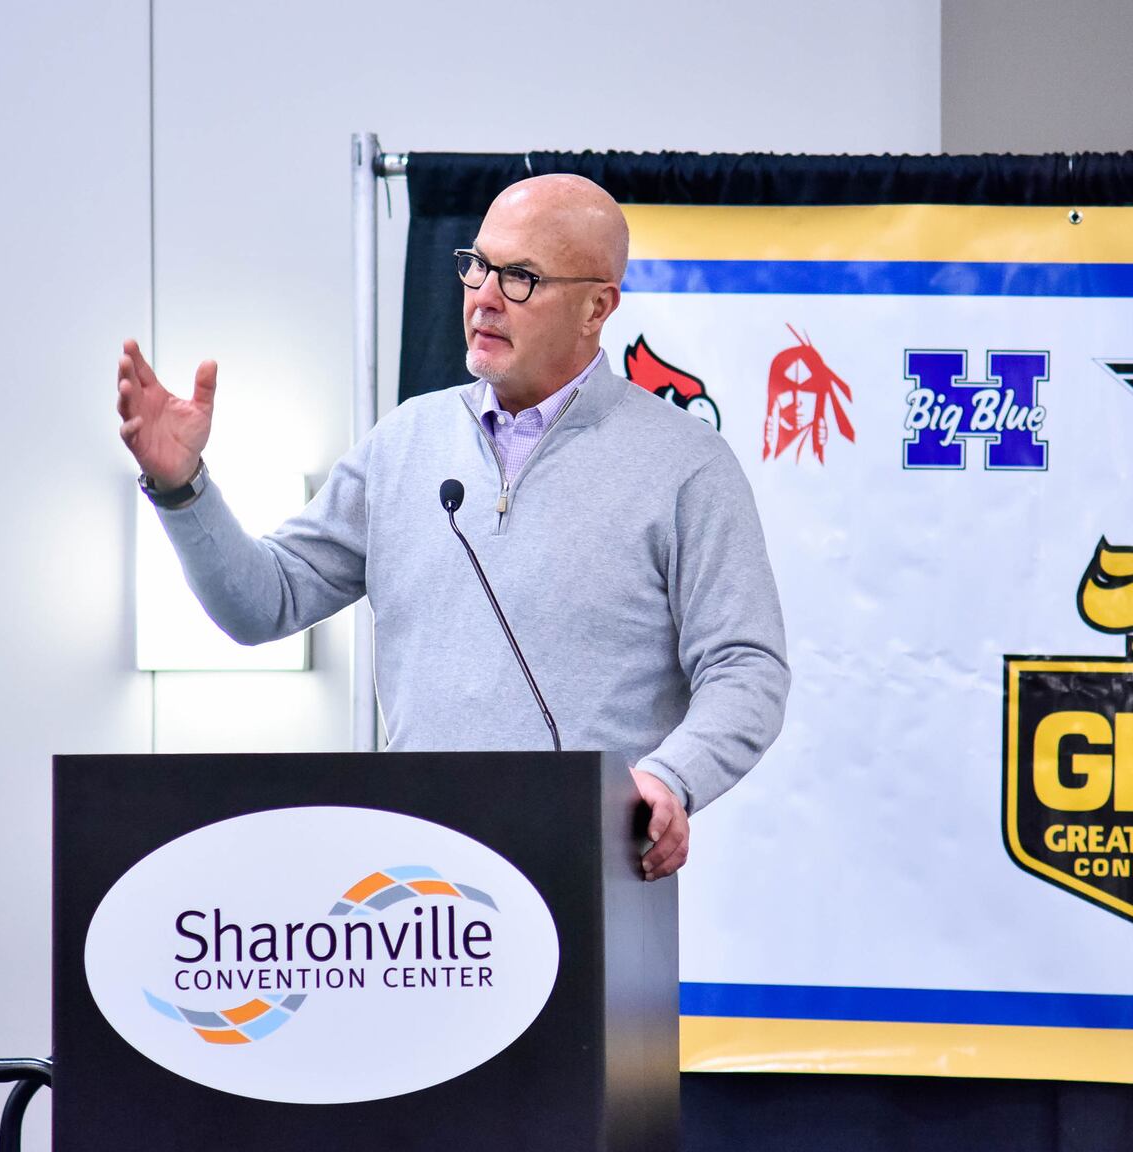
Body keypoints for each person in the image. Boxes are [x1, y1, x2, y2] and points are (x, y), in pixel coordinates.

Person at [116, 174, 788, 880]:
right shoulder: (406, 441)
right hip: (418, 886)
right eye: (478, 266)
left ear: (597, 307)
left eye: (521, 277)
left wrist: (669, 778)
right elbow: (264, 603)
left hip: (591, 872)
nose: (484, 297)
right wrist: (182, 487)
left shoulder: (684, 462)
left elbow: (747, 667)